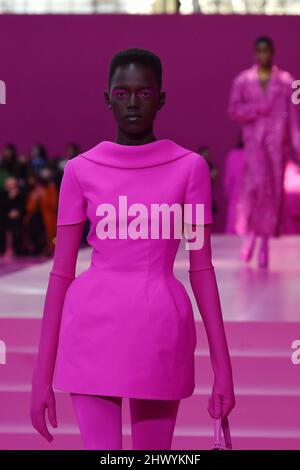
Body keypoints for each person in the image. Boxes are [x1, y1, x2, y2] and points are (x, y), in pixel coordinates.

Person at [30, 48, 235, 450]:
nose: (132, 103)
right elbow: (61, 273)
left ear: (161, 98)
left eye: (144, 94)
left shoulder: (189, 168)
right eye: (122, 93)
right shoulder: (80, 170)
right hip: (91, 329)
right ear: (106, 98)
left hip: (159, 330)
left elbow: (201, 269)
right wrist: (41, 377)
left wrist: (222, 368)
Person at [228, 36, 300, 268]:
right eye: (259, 50)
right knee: (255, 192)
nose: (263, 55)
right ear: (254, 53)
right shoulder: (243, 80)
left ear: (273, 52)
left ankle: (265, 246)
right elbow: (234, 109)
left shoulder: (286, 81)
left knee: (272, 196)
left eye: (267, 50)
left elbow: (294, 120)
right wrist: (255, 109)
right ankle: (250, 239)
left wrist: (297, 146)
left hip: (277, 147)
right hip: (254, 146)